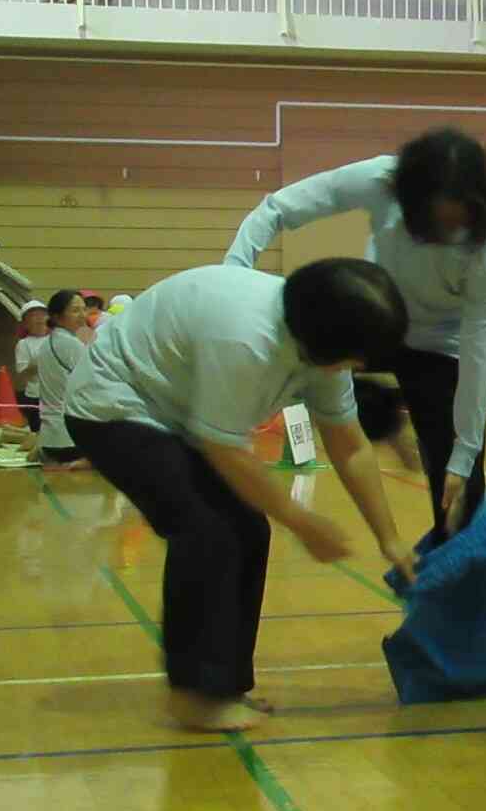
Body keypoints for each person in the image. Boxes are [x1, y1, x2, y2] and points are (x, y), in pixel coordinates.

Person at [63, 260, 418, 732]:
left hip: (178, 413)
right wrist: (302, 519)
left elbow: (349, 445)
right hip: (113, 404)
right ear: (325, 340)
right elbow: (224, 449)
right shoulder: (247, 339)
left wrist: (389, 539)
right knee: (205, 528)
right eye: (356, 357)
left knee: (248, 527)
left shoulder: (318, 341)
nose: (357, 368)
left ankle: (224, 685)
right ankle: (194, 695)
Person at [226, 128, 486, 535]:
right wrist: (231, 275)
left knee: (461, 491)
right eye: (438, 220)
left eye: (459, 219)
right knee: (300, 360)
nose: (450, 230)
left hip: (442, 348)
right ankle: (382, 416)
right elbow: (276, 208)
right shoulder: (381, 180)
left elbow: (479, 353)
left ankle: (465, 592)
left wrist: (463, 459)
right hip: (378, 321)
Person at [28, 290, 91, 468]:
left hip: (50, 438)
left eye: (83, 309)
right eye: (75, 310)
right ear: (56, 316)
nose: (82, 316)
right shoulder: (71, 344)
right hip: (70, 439)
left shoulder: (48, 342)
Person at [12, 299, 49, 430]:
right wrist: (38, 363)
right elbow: (22, 375)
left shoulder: (56, 339)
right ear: (26, 323)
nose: (39, 319)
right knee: (39, 431)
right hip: (35, 395)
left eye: (42, 314)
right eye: (33, 315)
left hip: (58, 395)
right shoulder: (24, 344)